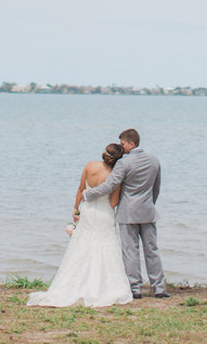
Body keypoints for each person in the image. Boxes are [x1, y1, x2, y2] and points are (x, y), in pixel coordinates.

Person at [27, 142, 133, 308]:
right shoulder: (115, 175)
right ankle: (101, 287)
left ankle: (73, 284)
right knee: (105, 248)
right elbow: (113, 202)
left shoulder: (90, 166)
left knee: (81, 247)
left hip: (88, 211)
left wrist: (76, 209)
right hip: (104, 214)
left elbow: (80, 189)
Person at [84, 128, 168, 299]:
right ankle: (159, 287)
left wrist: (88, 194)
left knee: (130, 251)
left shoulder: (124, 163)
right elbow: (156, 188)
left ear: (131, 143)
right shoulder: (154, 160)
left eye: (123, 144)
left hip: (128, 212)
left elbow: (110, 185)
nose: (121, 148)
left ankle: (135, 288)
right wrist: (150, 204)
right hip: (148, 211)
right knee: (152, 250)